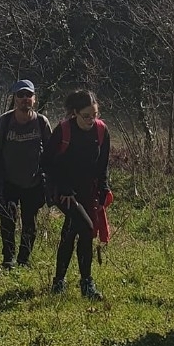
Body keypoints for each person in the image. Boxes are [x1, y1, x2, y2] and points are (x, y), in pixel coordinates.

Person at [0, 79, 52, 269]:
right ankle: (8, 259)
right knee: (8, 220)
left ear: (34, 99)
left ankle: (24, 260)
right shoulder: (6, 121)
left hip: (33, 182)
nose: (25, 98)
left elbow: (52, 155)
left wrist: (58, 183)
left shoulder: (41, 123)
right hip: (8, 181)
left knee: (29, 225)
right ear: (15, 99)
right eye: (20, 95)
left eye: (29, 95)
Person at [41, 89, 109, 298]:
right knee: (87, 229)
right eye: (86, 116)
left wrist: (104, 188)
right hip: (63, 191)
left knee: (71, 233)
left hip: (87, 191)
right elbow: (46, 163)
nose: (91, 120)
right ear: (75, 113)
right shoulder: (63, 131)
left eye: (94, 115)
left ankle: (59, 281)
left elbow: (103, 165)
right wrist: (64, 188)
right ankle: (87, 284)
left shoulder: (101, 131)